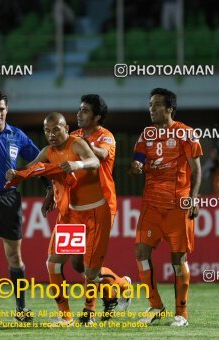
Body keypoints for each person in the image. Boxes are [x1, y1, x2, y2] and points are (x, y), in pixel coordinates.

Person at [6, 112, 130, 326]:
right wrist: (15, 173)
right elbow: (32, 169)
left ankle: (117, 289)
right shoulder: (48, 151)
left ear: (66, 128)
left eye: (56, 129)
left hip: (95, 214)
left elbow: (93, 162)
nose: (51, 134)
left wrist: (77, 165)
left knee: (90, 271)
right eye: (47, 130)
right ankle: (65, 316)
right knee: (53, 264)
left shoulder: (78, 143)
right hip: (71, 215)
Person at [0, 54, 52, 324]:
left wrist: (49, 186)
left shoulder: (17, 135)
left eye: (2, 108)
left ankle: (21, 308)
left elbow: (39, 161)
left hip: (9, 199)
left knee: (14, 255)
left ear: (7, 110)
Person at [129, 88, 202, 327]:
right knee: (141, 253)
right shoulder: (145, 134)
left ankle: (181, 313)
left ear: (170, 108)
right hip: (151, 205)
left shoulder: (186, 133)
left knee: (178, 260)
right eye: (150, 104)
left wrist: (193, 197)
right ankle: (155, 305)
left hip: (177, 205)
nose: (152, 108)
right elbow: (137, 162)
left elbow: (196, 169)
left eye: (157, 104)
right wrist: (136, 167)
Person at [69, 94, 131, 323]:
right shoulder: (73, 136)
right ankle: (120, 285)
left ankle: (89, 310)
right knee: (78, 263)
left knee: (89, 263)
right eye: (79, 109)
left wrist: (81, 143)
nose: (79, 113)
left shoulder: (106, 136)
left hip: (102, 205)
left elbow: (103, 154)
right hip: (77, 208)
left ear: (97, 117)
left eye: (84, 110)